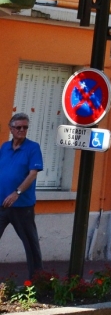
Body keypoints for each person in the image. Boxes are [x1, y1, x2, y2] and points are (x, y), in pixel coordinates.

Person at [0, 113, 44, 276]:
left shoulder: (33, 148)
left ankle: (38, 280)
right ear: (11, 129)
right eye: (18, 127)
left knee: (30, 243)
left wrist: (17, 193)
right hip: (2, 203)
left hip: (22, 205)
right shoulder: (4, 147)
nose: (22, 130)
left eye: (25, 127)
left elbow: (33, 173)